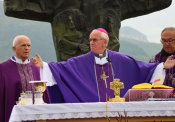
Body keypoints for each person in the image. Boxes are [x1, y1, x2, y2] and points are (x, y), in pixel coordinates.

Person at [32, 28, 175, 122]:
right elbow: (61, 69)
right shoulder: (80, 61)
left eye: (95, 40)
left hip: (118, 113)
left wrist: (162, 65)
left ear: (105, 42)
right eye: (90, 40)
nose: (91, 43)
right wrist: (44, 65)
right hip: (90, 115)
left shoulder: (120, 59)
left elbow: (142, 68)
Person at [4, 0, 172, 61]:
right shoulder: (55, 2)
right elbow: (13, 4)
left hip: (108, 80)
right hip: (70, 80)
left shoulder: (117, 2)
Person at [0, 35, 55, 122]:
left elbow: (44, 92)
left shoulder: (37, 67)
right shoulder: (4, 68)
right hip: (16, 118)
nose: (26, 48)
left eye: (29, 46)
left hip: (37, 117)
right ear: (14, 48)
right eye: (23, 45)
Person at [143, 27, 175, 122]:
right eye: (164, 40)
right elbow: (146, 82)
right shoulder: (154, 60)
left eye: (170, 40)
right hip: (157, 107)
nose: (167, 43)